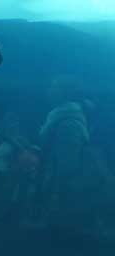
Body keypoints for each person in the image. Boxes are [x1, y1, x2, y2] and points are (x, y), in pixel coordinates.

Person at [36, 76, 104, 234]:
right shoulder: (59, 118)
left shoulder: (68, 123)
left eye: (53, 87)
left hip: (61, 195)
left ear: (64, 93)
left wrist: (54, 196)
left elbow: (67, 166)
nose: (49, 91)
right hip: (59, 191)